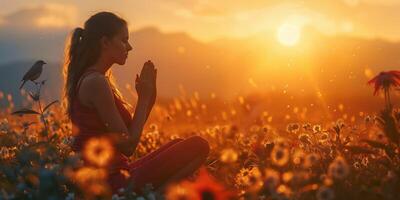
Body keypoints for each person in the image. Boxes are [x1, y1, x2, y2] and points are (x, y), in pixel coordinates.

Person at [62, 11, 210, 194]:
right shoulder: (95, 82)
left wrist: (147, 99)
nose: (129, 47)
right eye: (124, 40)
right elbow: (129, 146)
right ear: (105, 42)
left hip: (117, 174)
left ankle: (151, 195)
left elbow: (128, 135)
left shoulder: (94, 79)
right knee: (199, 146)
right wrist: (144, 99)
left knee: (179, 143)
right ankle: (155, 196)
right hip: (109, 182)